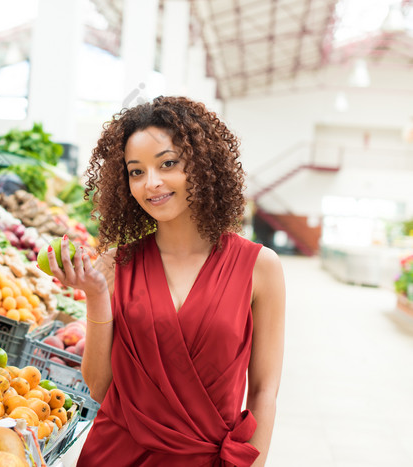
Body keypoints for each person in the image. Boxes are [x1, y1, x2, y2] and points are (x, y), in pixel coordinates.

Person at [44, 96, 285, 467]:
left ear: (202, 164)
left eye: (168, 164)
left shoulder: (259, 267)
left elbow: (265, 389)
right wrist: (96, 294)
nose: (151, 183)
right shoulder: (115, 264)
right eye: (136, 171)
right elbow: (99, 387)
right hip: (115, 455)